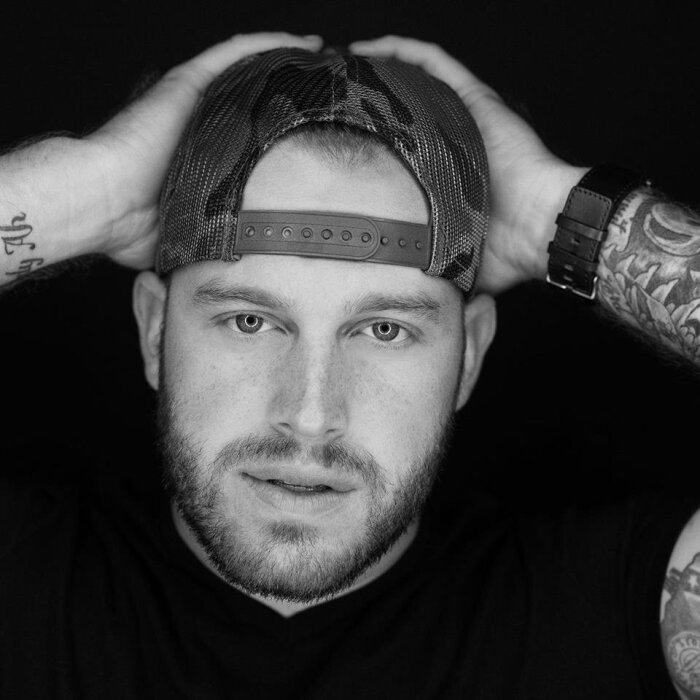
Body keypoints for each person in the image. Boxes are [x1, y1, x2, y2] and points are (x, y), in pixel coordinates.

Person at [0, 30, 698, 699]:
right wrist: (85, 198)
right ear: (155, 331)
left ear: (470, 355)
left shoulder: (618, 610)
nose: (309, 415)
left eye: (384, 330)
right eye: (250, 321)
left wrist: (567, 222)